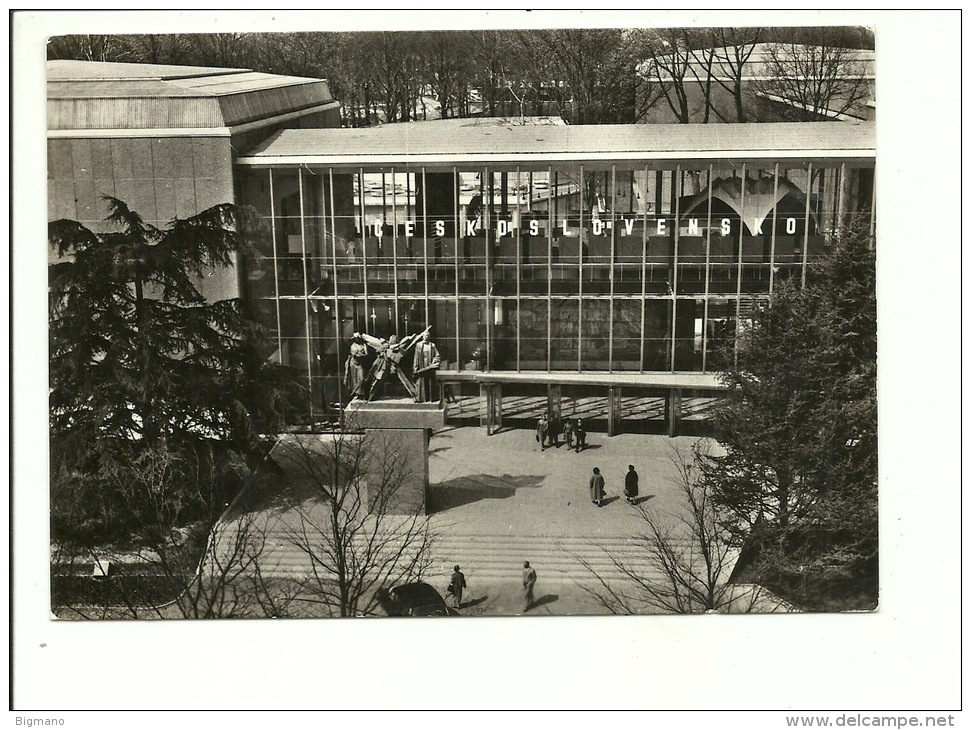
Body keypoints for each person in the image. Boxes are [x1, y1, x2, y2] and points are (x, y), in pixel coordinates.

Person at [412, 329, 441, 402]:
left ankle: (431, 398)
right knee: (422, 382)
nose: (426, 336)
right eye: (425, 335)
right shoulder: (418, 345)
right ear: (422, 336)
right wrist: (415, 367)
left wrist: (434, 361)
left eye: (427, 335)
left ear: (429, 337)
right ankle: (422, 398)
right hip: (422, 366)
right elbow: (416, 357)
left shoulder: (432, 345)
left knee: (430, 382)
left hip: (430, 366)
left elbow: (437, 355)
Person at [343, 332, 369, 398]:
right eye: (356, 338)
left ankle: (362, 393)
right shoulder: (353, 345)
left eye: (358, 338)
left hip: (360, 363)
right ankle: (357, 394)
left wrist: (360, 354)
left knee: (362, 377)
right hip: (353, 363)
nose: (358, 340)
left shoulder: (363, 345)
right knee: (354, 378)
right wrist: (360, 354)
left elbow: (366, 354)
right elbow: (354, 354)